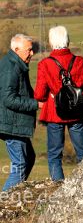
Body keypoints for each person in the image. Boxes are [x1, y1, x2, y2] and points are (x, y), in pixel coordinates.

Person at [34, 25, 83, 181]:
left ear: (51, 42)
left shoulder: (45, 64)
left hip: (54, 112)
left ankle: (57, 188)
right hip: (77, 111)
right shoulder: (79, 61)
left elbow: (39, 94)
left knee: (54, 155)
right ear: (67, 40)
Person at [0, 34, 43, 191]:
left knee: (29, 158)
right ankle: (5, 204)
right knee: (20, 164)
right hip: (12, 124)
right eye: (29, 50)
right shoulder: (11, 67)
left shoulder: (16, 64)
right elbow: (8, 99)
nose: (32, 53)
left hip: (16, 123)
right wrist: (36, 104)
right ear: (16, 49)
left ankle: (16, 194)